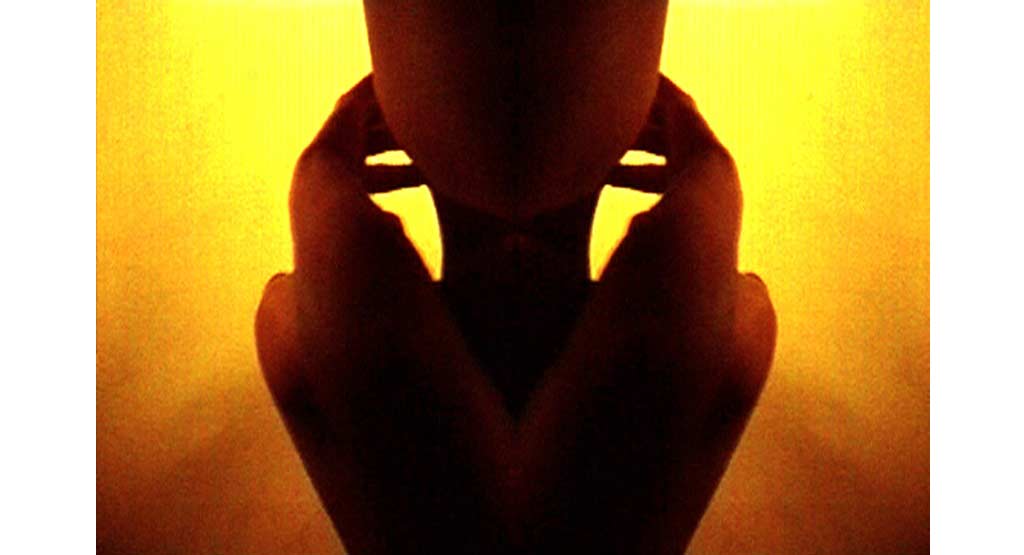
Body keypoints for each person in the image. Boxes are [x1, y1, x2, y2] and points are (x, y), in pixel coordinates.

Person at [255, 2, 777, 553]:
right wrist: (708, 187)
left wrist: (323, 189)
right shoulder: (702, 346)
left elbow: (307, 308)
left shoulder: (329, 345)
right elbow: (722, 314)